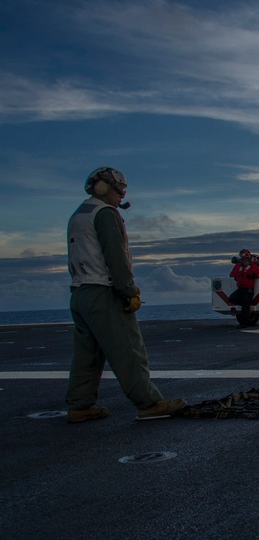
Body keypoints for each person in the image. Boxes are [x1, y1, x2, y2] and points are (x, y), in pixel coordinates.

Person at [65, 167, 186, 423]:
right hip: (104, 292)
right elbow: (116, 258)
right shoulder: (105, 213)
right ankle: (149, 403)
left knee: (87, 355)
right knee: (129, 350)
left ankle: (79, 405)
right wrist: (129, 290)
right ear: (103, 188)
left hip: (80, 292)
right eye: (118, 189)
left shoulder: (79, 214)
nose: (122, 194)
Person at [229, 248, 259, 317]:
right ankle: (245, 306)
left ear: (249, 259)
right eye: (243, 259)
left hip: (248, 289)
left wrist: (253, 276)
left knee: (245, 306)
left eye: (246, 259)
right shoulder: (239, 267)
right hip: (240, 288)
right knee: (231, 298)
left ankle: (245, 321)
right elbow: (232, 274)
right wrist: (236, 277)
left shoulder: (253, 267)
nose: (245, 260)